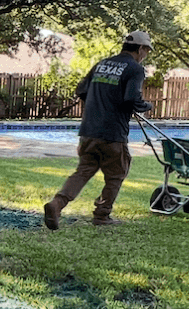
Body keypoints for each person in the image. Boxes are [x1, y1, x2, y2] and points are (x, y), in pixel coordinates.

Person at [43, 31, 154, 229]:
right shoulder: (135, 69)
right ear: (140, 49)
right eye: (146, 50)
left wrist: (99, 107)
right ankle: (102, 215)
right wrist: (147, 106)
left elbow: (81, 90)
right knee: (117, 173)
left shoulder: (102, 64)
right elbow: (131, 99)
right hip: (113, 134)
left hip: (88, 131)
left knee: (83, 171)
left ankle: (57, 204)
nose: (146, 55)